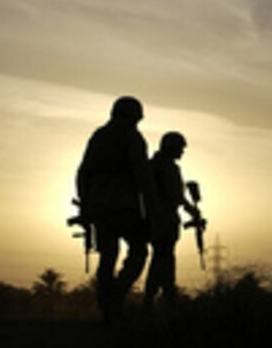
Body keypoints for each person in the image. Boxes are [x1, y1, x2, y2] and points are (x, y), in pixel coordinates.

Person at [76, 96, 157, 321]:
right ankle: (115, 296)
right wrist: (152, 210)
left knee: (107, 256)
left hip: (98, 206)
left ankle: (107, 307)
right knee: (139, 251)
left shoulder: (99, 136)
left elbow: (83, 173)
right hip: (123, 206)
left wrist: (85, 205)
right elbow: (143, 177)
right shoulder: (132, 137)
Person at [143, 132, 202, 309]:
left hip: (154, 219)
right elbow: (174, 195)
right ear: (171, 147)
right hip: (164, 220)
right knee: (164, 260)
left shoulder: (152, 165)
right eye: (180, 148)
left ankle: (153, 300)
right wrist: (191, 210)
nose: (182, 151)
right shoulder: (166, 167)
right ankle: (165, 299)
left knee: (159, 260)